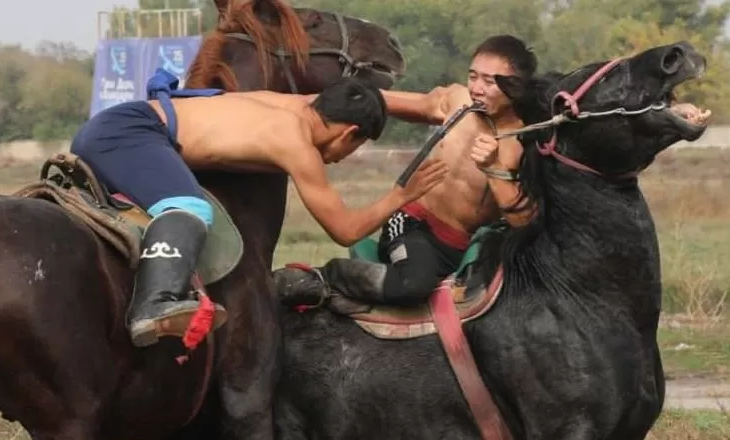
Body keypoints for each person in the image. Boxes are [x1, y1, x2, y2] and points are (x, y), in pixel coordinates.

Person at [69, 70, 448, 348]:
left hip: (123, 122)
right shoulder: (296, 144)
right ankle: (154, 304)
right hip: (129, 133)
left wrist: (428, 105)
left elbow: (362, 96)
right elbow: (345, 230)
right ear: (349, 133)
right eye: (355, 147)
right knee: (189, 207)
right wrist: (402, 194)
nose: (346, 157)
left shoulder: (293, 107)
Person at [273, 35, 539, 309]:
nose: (477, 88)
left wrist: (493, 169)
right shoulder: (456, 100)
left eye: (490, 81)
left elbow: (524, 221)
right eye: (473, 76)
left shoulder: (526, 139)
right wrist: (298, 105)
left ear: (516, 86)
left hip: (473, 246)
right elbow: (383, 99)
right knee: (414, 286)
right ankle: (324, 278)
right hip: (415, 226)